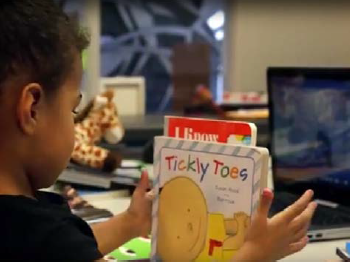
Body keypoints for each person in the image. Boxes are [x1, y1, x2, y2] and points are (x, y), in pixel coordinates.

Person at [0, 1, 317, 261]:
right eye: (72, 109)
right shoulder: (40, 235)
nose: (75, 122)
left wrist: (130, 223)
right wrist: (253, 254)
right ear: (32, 109)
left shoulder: (31, 231)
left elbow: (68, 250)